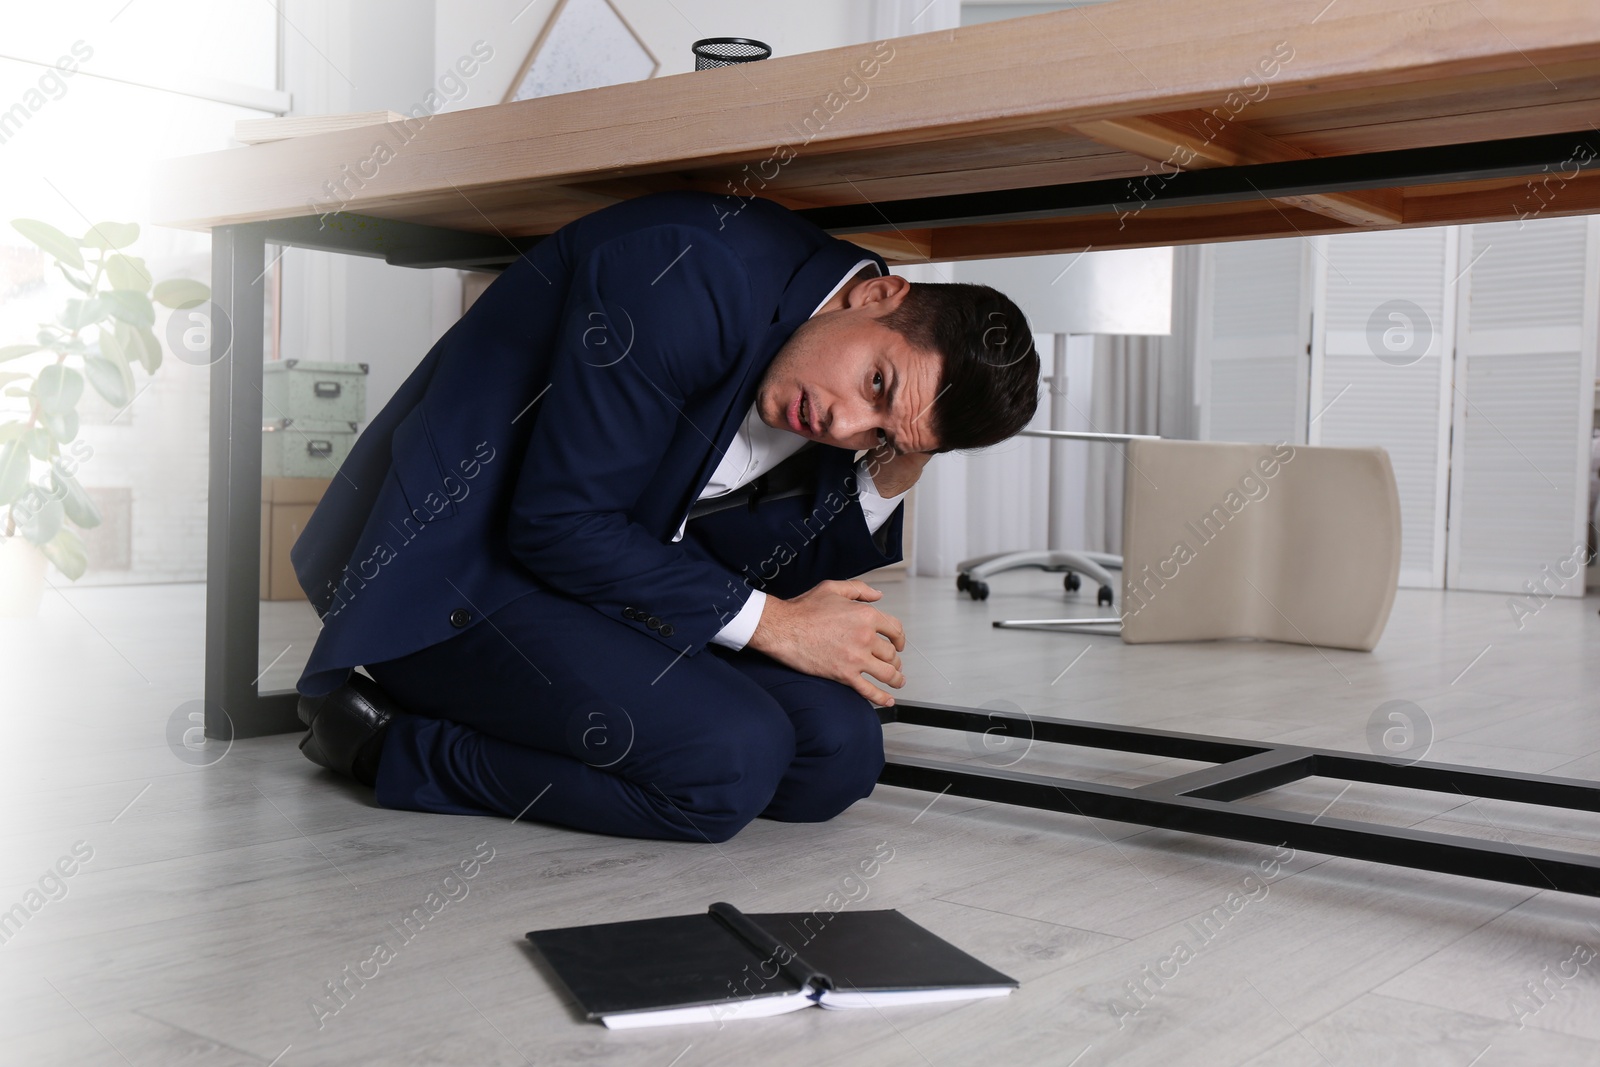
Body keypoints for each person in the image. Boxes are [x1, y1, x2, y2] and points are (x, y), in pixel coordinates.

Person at [291, 190, 1038, 842]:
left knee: (838, 753)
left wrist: (898, 458)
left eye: (878, 430)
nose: (846, 427)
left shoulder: (823, 361)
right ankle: (388, 744)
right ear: (879, 296)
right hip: (465, 571)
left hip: (601, 580)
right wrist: (777, 626)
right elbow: (558, 523)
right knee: (729, 763)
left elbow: (752, 556)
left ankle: (629, 734)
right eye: (877, 383)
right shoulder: (694, 273)